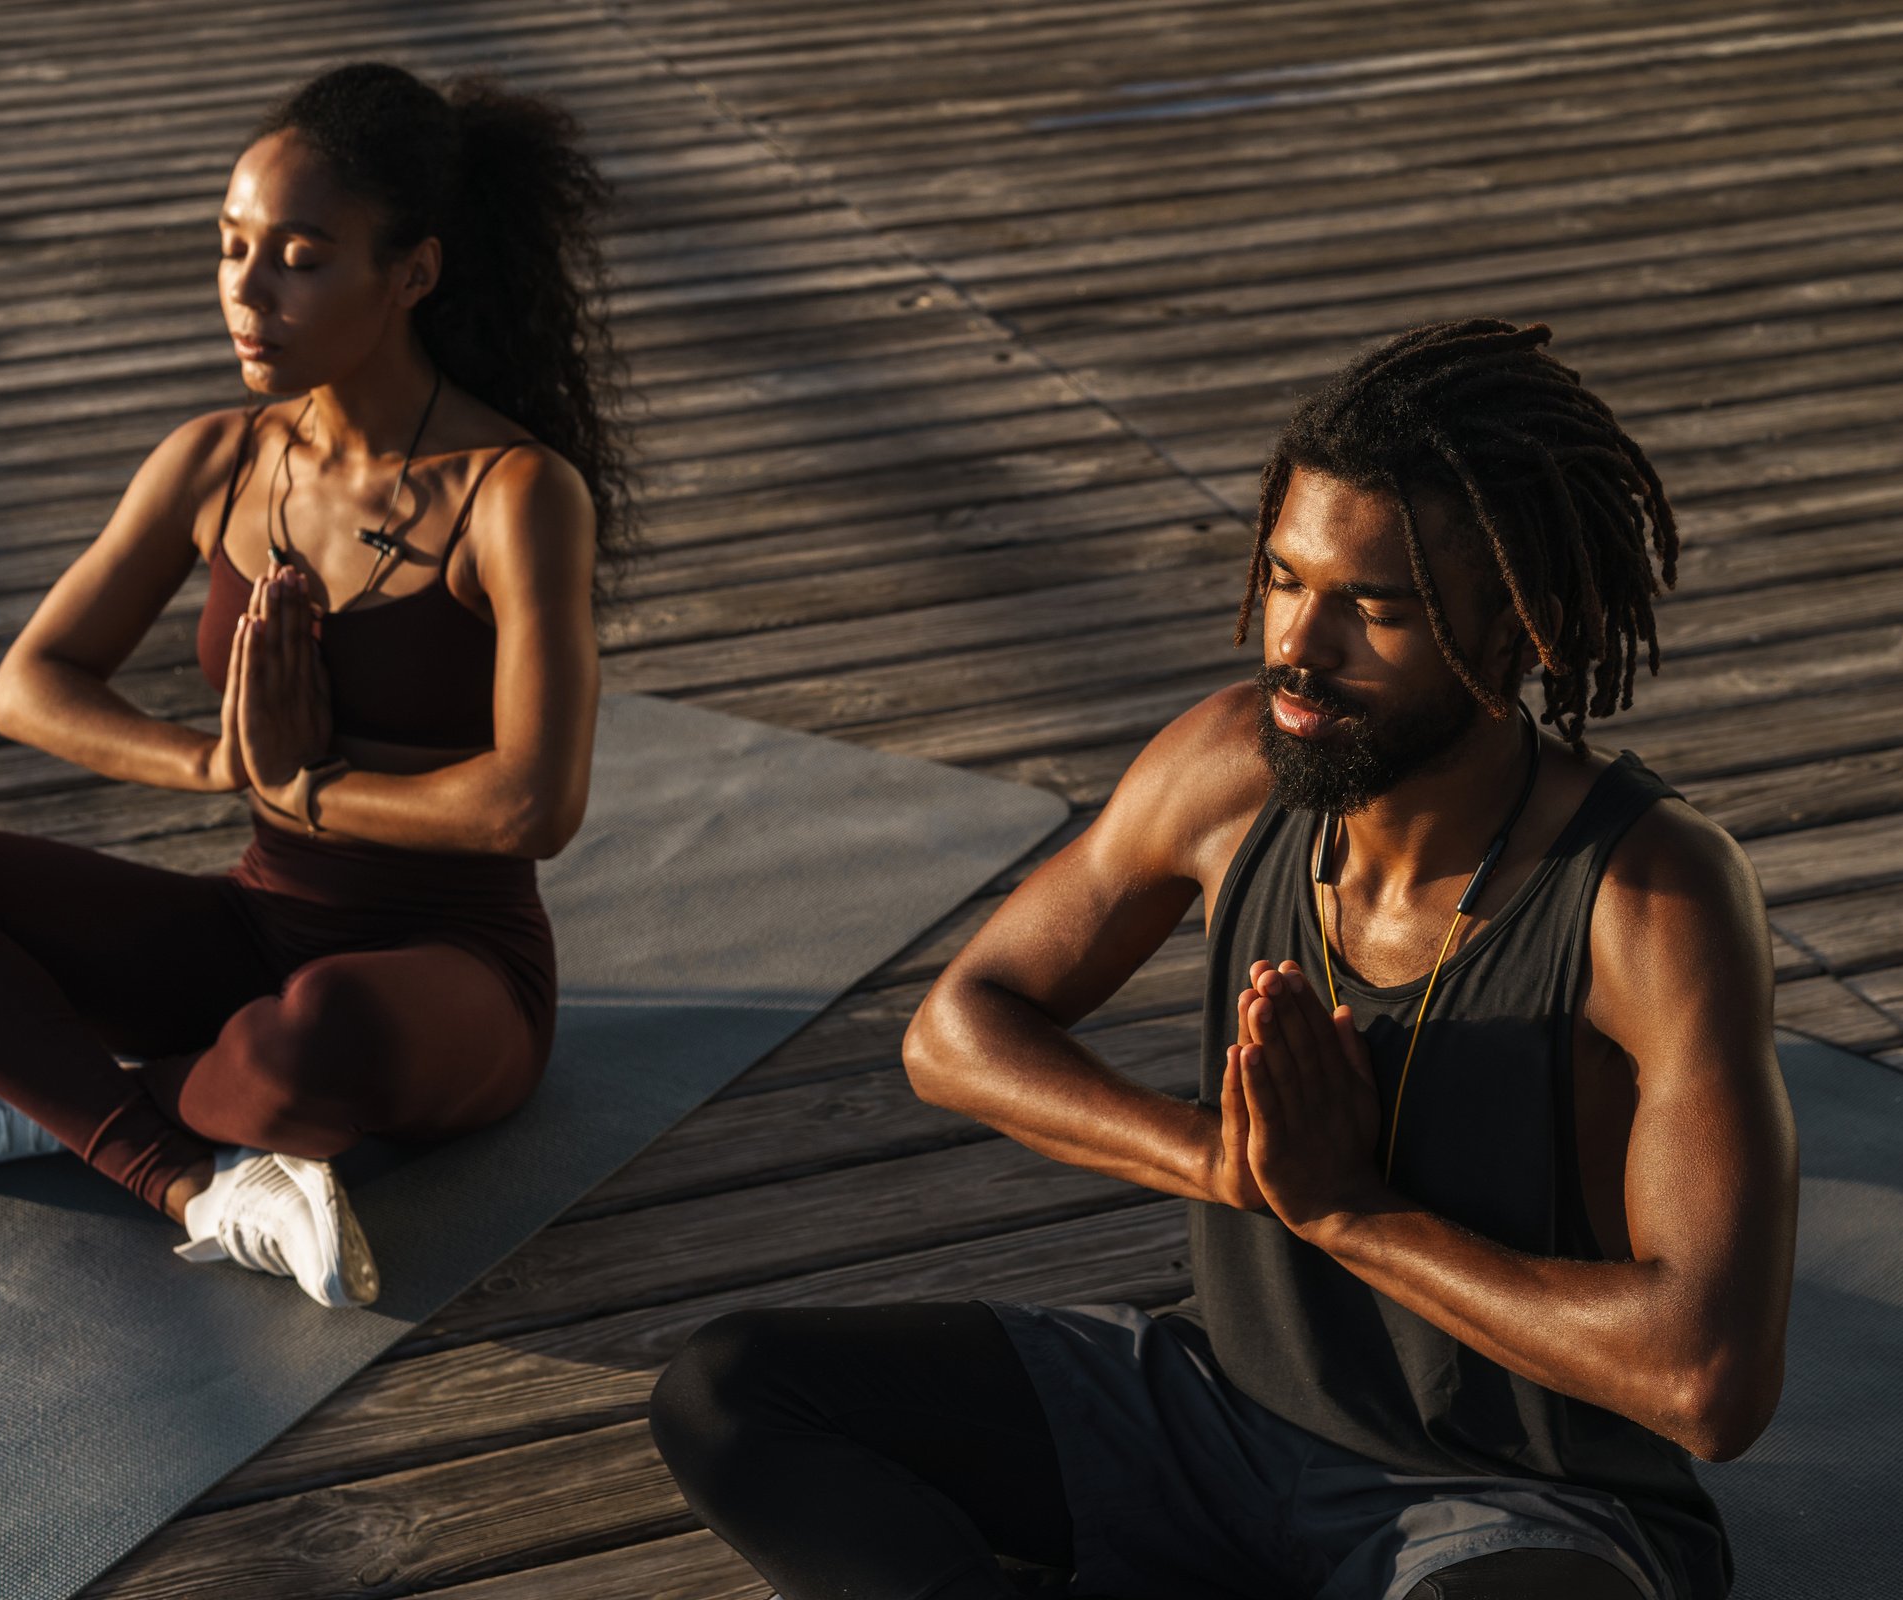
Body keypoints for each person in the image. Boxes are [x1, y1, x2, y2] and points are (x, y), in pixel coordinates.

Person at [647, 320, 1797, 1599]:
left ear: (1522, 629)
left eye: (1376, 610)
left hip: (1507, 1500)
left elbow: (1705, 1381)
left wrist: (1350, 1211)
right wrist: (1225, 1162)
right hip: (1213, 1412)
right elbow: (957, 1029)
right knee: (732, 1393)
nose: (1300, 646)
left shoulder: (1650, 893)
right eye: (1289, 578)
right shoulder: (1227, 769)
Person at [0, 62, 635, 1308]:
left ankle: (60, 1097)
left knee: (316, 1038)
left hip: (452, 971)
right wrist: (214, 765)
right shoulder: (217, 460)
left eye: (301, 257)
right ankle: (198, 1182)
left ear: (411, 272)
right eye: (233, 247)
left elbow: (534, 808)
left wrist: (308, 789)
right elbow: (29, 685)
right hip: (255, 927)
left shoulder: (514, 496)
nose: (247, 293)